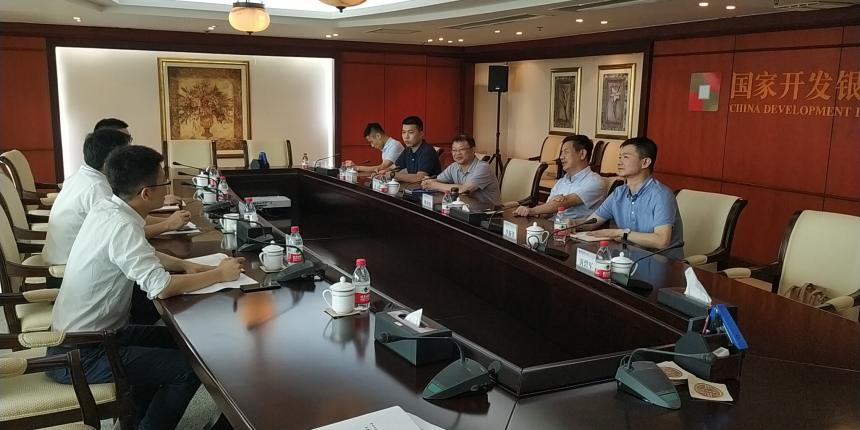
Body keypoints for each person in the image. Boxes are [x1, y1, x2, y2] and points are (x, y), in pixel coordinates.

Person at [48, 145, 245, 430]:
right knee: (189, 370)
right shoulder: (121, 225)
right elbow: (162, 288)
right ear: (146, 193)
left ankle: (136, 420)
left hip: (94, 336)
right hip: (83, 353)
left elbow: (138, 253)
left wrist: (183, 264)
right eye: (164, 184)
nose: (167, 190)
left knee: (182, 342)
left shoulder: (109, 209)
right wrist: (219, 274)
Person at [42, 129, 191, 266]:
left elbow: (130, 217)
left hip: (68, 255)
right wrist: (166, 225)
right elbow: (124, 234)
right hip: (67, 264)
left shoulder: (82, 176)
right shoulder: (97, 189)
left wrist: (170, 221)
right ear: (109, 162)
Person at [567, 137, 684, 260]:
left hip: (663, 263)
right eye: (619, 157)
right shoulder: (619, 193)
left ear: (645, 162)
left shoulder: (661, 195)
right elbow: (592, 222)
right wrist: (575, 224)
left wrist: (621, 233)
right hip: (629, 258)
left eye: (626, 157)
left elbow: (661, 241)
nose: (619, 162)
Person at [93, 117, 182, 205]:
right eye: (125, 141)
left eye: (129, 139)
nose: (130, 146)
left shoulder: (104, 174)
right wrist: (159, 202)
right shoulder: (97, 188)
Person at [514, 135, 605, 219]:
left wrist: (531, 211)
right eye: (561, 153)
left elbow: (567, 202)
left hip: (573, 229)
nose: (561, 157)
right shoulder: (562, 181)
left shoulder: (595, 182)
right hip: (551, 226)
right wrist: (551, 204)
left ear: (582, 154)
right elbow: (545, 214)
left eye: (566, 152)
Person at [421, 134, 500, 209]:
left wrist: (434, 185)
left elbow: (463, 190)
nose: (457, 153)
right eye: (454, 150)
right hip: (464, 208)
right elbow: (437, 180)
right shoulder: (454, 166)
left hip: (488, 212)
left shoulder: (483, 168)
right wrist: (428, 182)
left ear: (472, 150)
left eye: (461, 149)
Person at [391, 116, 442, 183]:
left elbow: (420, 178)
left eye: (410, 132)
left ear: (421, 134)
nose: (406, 136)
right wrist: (382, 171)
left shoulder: (428, 151)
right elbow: (394, 167)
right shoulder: (407, 150)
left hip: (429, 188)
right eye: (403, 132)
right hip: (413, 187)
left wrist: (393, 175)